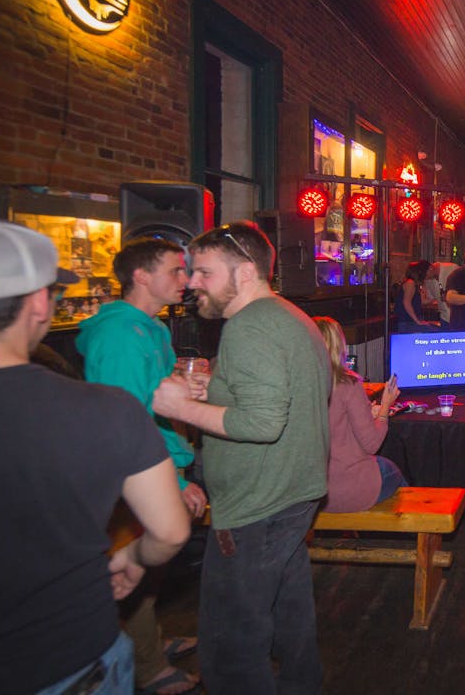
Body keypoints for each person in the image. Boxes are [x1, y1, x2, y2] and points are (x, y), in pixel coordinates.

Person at [0, 220, 189, 694]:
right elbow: (169, 531)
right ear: (39, 303)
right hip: (69, 660)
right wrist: (132, 555)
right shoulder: (105, 410)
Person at [152, 220, 329, 694]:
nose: (191, 283)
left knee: (231, 648)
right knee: (290, 622)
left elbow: (263, 423)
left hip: (257, 508)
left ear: (246, 272)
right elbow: (280, 395)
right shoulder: (290, 316)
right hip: (294, 496)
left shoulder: (249, 328)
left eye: (204, 272)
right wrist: (217, 388)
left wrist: (180, 407)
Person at [76, 237, 206, 695]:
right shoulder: (119, 334)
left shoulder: (152, 329)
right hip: (134, 472)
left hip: (161, 459)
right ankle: (146, 668)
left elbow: (157, 399)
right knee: (132, 562)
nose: (187, 281)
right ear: (142, 277)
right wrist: (172, 479)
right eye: (176, 271)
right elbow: (127, 419)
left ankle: (149, 641)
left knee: (153, 563)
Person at [313, 317, 408, 511]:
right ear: (339, 345)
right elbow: (372, 444)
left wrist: (367, 412)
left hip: (312, 489)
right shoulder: (347, 384)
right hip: (346, 487)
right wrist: (385, 407)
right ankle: (415, 526)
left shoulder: (298, 383)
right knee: (394, 471)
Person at [396, 259, 440, 333]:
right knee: (437, 332)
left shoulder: (416, 284)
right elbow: (406, 303)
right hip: (408, 322)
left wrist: (436, 299)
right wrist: (417, 321)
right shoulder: (410, 283)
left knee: (436, 329)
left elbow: (422, 301)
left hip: (412, 321)